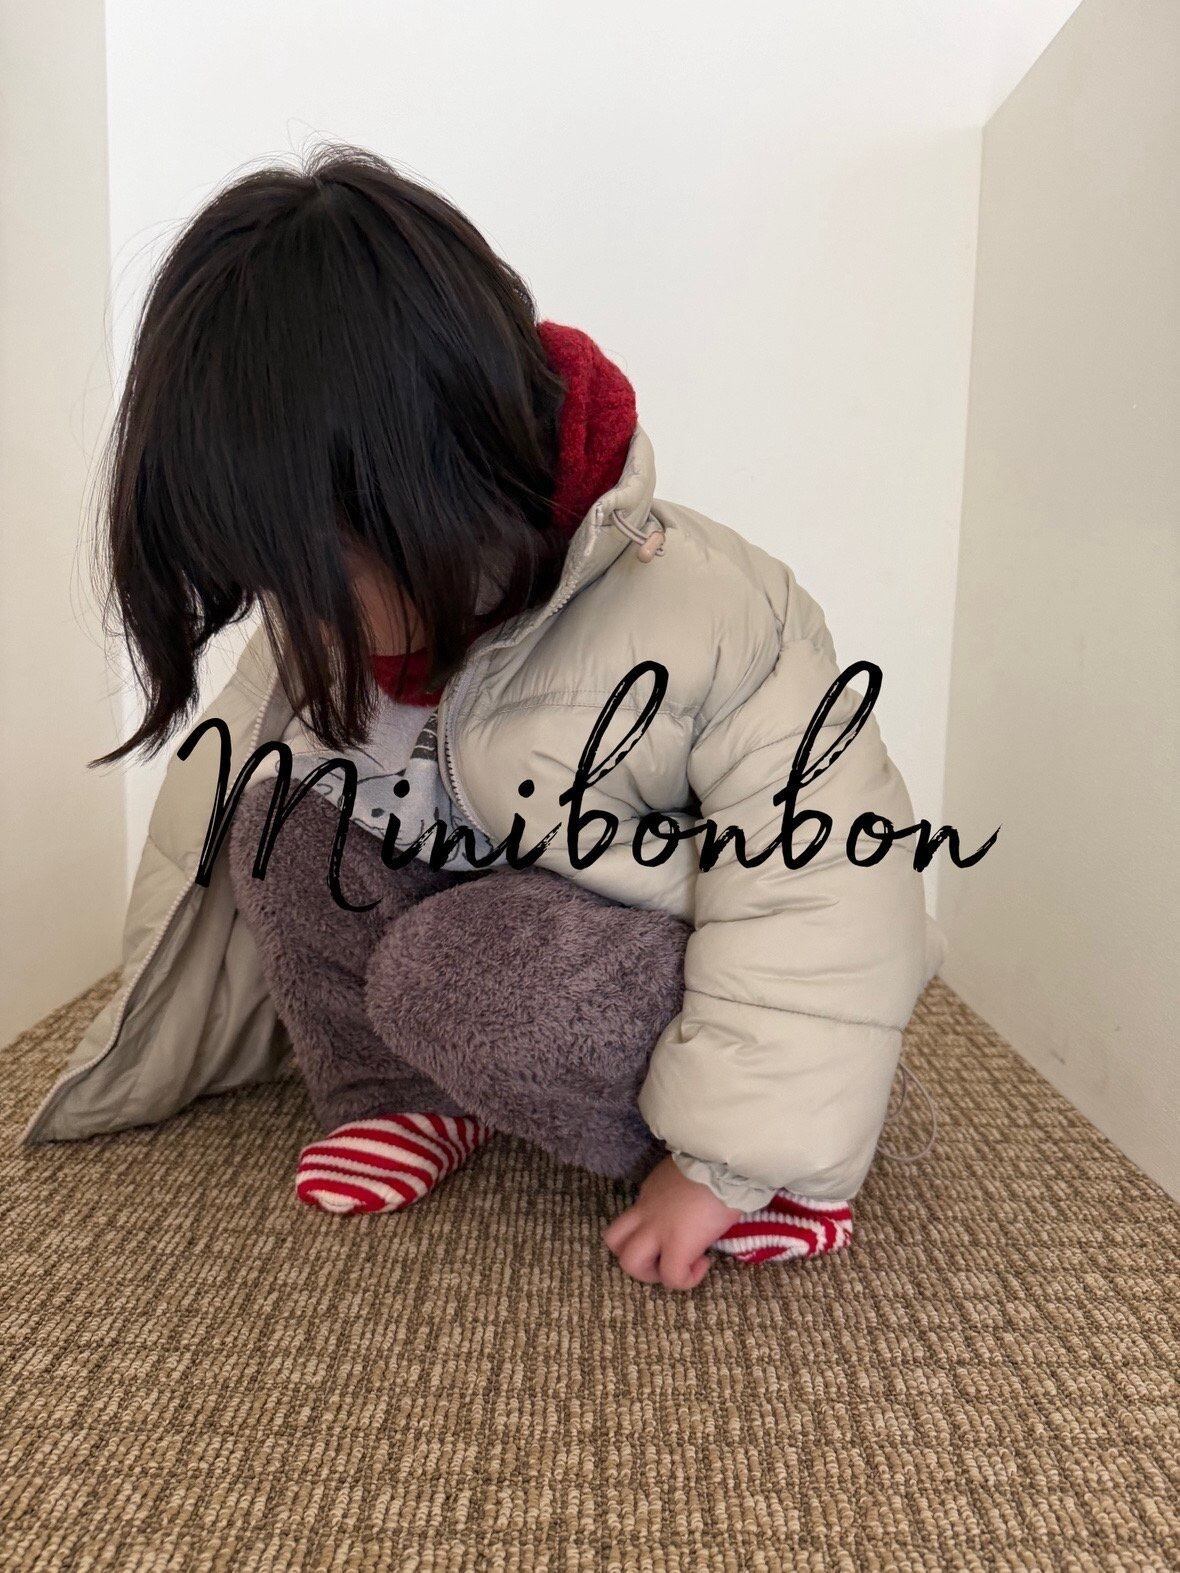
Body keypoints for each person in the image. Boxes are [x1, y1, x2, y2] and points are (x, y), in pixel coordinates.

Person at [46, 144, 942, 1291]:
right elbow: (215, 839)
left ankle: (767, 1166)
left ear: (430, 485)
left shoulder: (710, 610)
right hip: (482, 918)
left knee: (448, 974)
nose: (295, 614)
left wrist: (731, 1161)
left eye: (318, 573)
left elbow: (831, 887)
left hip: (688, 965)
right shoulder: (326, 623)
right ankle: (402, 1092)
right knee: (278, 822)